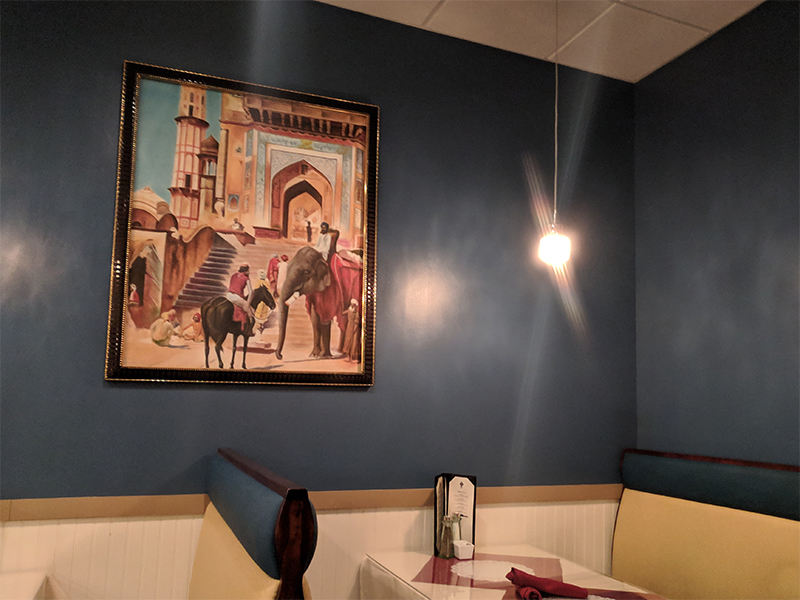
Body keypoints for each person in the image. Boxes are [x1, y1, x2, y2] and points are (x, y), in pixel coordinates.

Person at [226, 264, 255, 331]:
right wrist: (247, 303)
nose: (249, 272)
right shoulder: (246, 278)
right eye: (248, 270)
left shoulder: (233, 275)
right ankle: (249, 329)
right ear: (245, 271)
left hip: (228, 295)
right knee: (250, 311)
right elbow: (251, 292)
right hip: (236, 297)